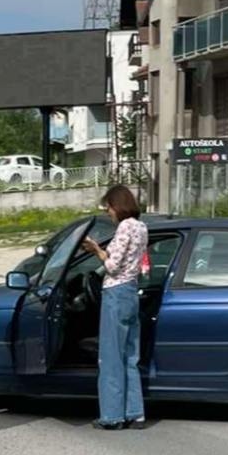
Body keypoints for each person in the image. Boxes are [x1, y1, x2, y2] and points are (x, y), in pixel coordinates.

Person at [82, 185, 148, 431]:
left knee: (110, 357)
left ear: (116, 205)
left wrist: (96, 249)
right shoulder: (141, 227)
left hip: (115, 292)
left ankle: (111, 416)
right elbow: (133, 260)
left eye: (108, 207)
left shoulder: (124, 227)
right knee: (130, 356)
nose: (108, 212)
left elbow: (111, 265)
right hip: (131, 291)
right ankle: (135, 413)